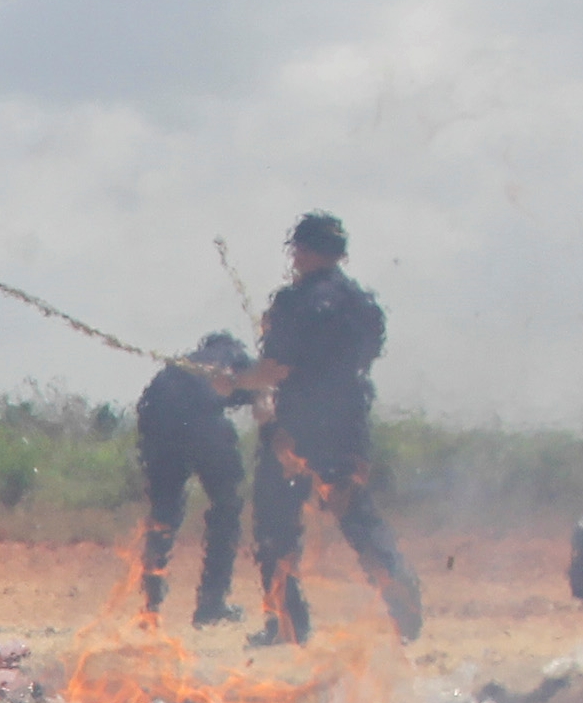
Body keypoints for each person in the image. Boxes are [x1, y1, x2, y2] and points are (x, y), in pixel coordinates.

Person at [228, 212, 423, 644]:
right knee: (357, 516)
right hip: (349, 423)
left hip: (296, 429)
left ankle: (287, 626)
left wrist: (235, 381)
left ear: (302, 251)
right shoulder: (363, 306)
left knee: (275, 529)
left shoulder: (293, 304)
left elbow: (275, 369)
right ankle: (401, 595)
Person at [136, 331, 250, 625]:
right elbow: (257, 387)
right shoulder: (233, 357)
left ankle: (150, 604)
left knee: (163, 512)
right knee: (227, 505)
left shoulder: (184, 364)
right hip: (200, 420)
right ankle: (211, 604)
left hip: (156, 418)